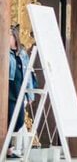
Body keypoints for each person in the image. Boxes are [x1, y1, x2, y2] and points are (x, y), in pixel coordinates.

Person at [7, 26, 30, 160]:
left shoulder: (22, 52)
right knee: (8, 119)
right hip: (8, 91)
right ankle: (8, 149)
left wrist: (30, 94)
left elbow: (28, 74)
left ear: (15, 36)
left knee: (19, 121)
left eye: (10, 34)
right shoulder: (4, 51)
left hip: (19, 90)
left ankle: (6, 145)